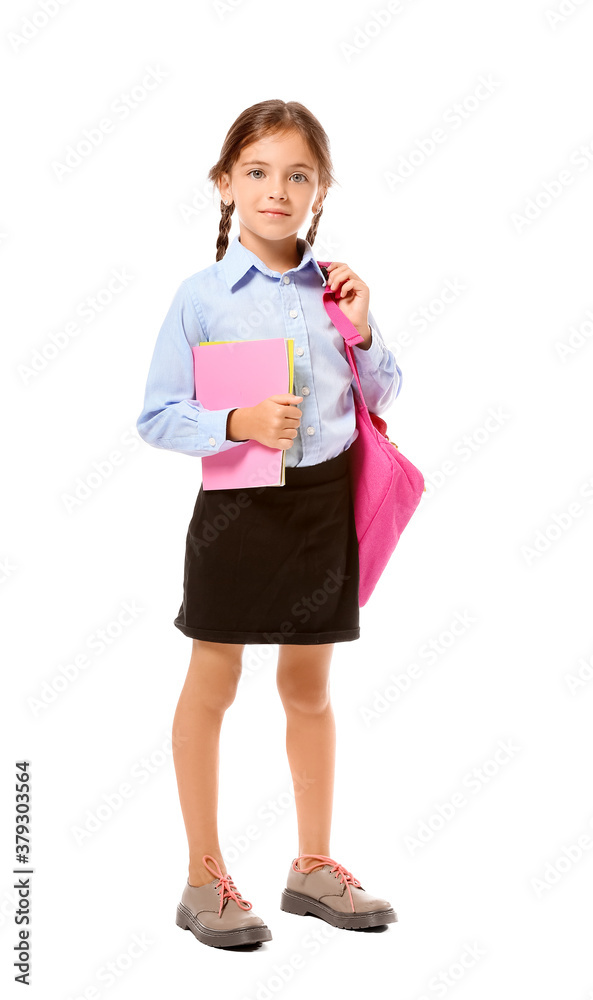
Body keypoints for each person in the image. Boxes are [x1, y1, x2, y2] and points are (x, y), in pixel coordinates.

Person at [136, 99, 401, 949]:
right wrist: (237, 424)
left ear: (320, 189)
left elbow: (382, 395)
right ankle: (201, 875)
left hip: (322, 507)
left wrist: (362, 333)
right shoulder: (201, 295)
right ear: (225, 184)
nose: (276, 190)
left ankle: (312, 865)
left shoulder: (335, 293)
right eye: (256, 171)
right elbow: (156, 415)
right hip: (236, 510)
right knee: (212, 683)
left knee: (309, 692)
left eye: (296, 174)